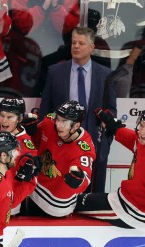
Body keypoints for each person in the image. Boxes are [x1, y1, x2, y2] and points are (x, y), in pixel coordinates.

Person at [74, 105, 145, 228]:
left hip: (138, 213)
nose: (142, 132)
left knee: (75, 203)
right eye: (141, 125)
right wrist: (114, 127)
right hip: (128, 198)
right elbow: (135, 141)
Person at [39, 26, 116, 193]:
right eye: (74, 42)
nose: (76, 46)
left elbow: (111, 109)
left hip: (94, 141)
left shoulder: (105, 75)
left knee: (92, 192)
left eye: (81, 43)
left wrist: (106, 129)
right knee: (62, 186)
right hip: (62, 142)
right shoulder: (55, 72)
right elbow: (45, 108)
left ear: (91, 48)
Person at [21, 100, 95, 218]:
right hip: (33, 190)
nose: (58, 125)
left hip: (57, 206)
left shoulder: (84, 146)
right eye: (58, 119)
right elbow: (33, 142)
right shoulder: (48, 123)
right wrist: (29, 132)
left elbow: (85, 176)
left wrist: (78, 180)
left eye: (64, 122)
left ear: (76, 126)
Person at [0, 97, 40, 214]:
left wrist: (10, 201)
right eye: (2, 115)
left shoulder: (25, 145)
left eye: (10, 117)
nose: (4, 121)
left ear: (19, 119)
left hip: (3, 204)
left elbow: (31, 182)